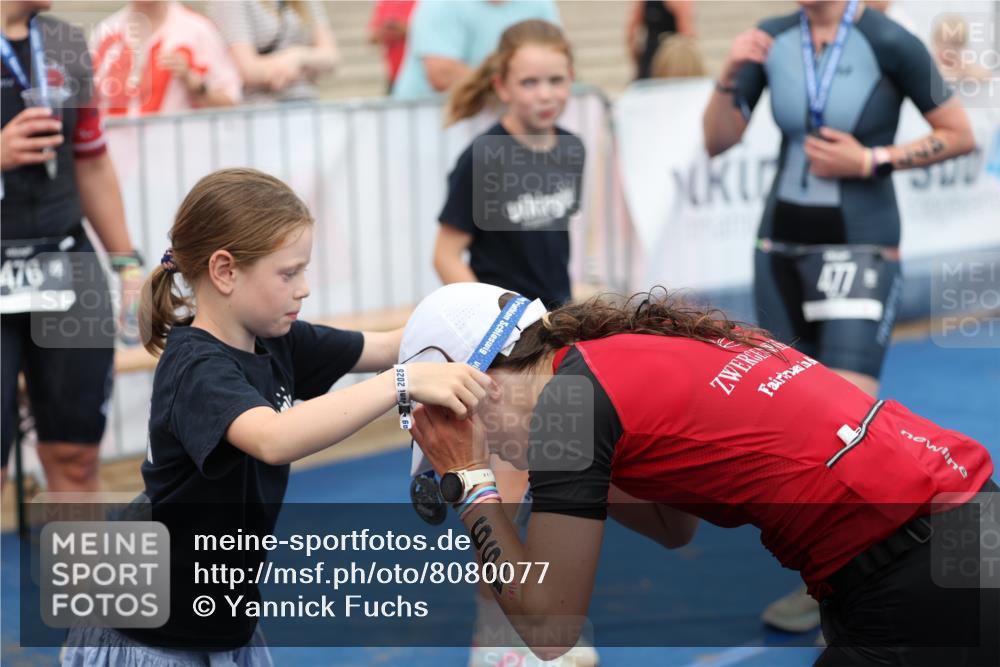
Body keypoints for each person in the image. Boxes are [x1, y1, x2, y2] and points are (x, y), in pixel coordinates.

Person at [405, 282, 999, 667]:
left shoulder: (568, 405)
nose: (501, 454)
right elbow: (672, 525)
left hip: (913, 576)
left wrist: (469, 479)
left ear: (474, 384)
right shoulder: (614, 352)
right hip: (967, 523)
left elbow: (550, 629)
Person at [60, 168, 492, 665]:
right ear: (225, 271)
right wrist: (403, 382)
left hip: (220, 621)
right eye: (289, 273)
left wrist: (490, 318)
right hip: (148, 632)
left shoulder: (275, 340)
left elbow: (394, 345)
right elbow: (273, 437)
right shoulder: (196, 368)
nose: (304, 288)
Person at [702, 0, 976, 632]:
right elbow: (717, 142)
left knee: (844, 423)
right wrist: (727, 75)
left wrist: (872, 160)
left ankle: (872, 569)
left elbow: (960, 135)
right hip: (778, 249)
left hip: (860, 244)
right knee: (786, 418)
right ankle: (824, 572)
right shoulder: (769, 39)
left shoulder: (888, 40)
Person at [429, 20, 591, 667]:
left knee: (568, 485)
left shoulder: (571, 147)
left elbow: (556, 251)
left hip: (557, 338)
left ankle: (551, 621)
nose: (545, 93)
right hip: (503, 349)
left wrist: (573, 318)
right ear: (502, 85)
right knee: (510, 491)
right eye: (529, 81)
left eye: (556, 79)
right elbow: (446, 253)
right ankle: (494, 634)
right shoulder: (482, 158)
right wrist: (490, 330)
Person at [1, 0, 141, 493]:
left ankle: (82, 574)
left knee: (76, 458)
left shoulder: (65, 42)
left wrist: (127, 264)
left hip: (66, 264)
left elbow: (92, 162)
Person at [89, 0, 241, 116]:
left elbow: (230, 101)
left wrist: (193, 82)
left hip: (178, 150)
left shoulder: (196, 29)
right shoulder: (105, 33)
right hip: (115, 152)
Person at [391, 0, 559, 100]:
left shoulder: (539, 3)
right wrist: (511, 89)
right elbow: (442, 74)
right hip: (429, 125)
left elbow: (556, 56)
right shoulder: (441, 3)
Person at [206, 0, 338, 103]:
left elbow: (331, 57)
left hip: (308, 101)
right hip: (260, 110)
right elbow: (247, 70)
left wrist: (297, 57)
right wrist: (308, 63)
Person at [626, 0, 696, 80]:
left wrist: (640, 63)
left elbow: (631, 35)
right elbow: (687, 34)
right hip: (672, 59)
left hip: (653, 56)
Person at [367, 0, 415, 93]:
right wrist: (386, 30)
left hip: (418, 75)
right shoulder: (387, 3)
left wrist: (404, 29)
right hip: (394, 74)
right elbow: (372, 37)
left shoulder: (421, 3)